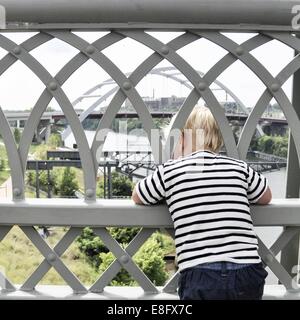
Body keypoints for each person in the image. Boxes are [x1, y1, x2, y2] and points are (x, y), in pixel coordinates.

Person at [132, 105, 271, 300]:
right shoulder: (239, 167)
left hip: (200, 273)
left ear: (180, 139)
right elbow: (265, 196)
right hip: (247, 271)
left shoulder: (170, 171)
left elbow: (138, 195)